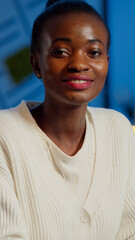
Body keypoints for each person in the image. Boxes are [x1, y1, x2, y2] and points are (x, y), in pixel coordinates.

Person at [0, 0, 135, 239]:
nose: (79, 64)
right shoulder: (5, 133)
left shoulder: (119, 129)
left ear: (106, 63)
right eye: (61, 52)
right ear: (36, 64)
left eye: (94, 52)